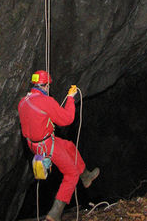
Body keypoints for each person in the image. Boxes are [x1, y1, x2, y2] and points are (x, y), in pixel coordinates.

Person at [18, 70, 100, 221]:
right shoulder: (46, 101)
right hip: (46, 144)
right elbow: (67, 119)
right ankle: (55, 212)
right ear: (46, 85)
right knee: (71, 174)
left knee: (68, 145)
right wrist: (70, 98)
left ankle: (86, 175)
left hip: (34, 145)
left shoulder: (23, 102)